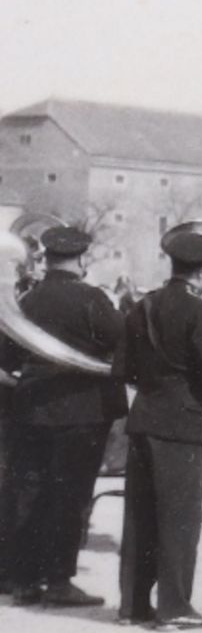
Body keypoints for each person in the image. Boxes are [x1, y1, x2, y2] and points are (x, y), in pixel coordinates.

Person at [117, 220, 202, 629]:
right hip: (182, 424)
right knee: (179, 518)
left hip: (144, 418)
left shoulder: (142, 305)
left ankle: (132, 606)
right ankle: (174, 608)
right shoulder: (198, 308)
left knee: (139, 517)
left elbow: (125, 369)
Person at [4, 226, 128, 607]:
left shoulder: (26, 301)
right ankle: (59, 582)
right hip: (83, 412)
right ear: (82, 258)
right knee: (70, 495)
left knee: (29, 492)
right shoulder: (92, 299)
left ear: (47, 257)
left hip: (31, 410)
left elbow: (7, 359)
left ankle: (23, 580)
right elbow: (122, 343)